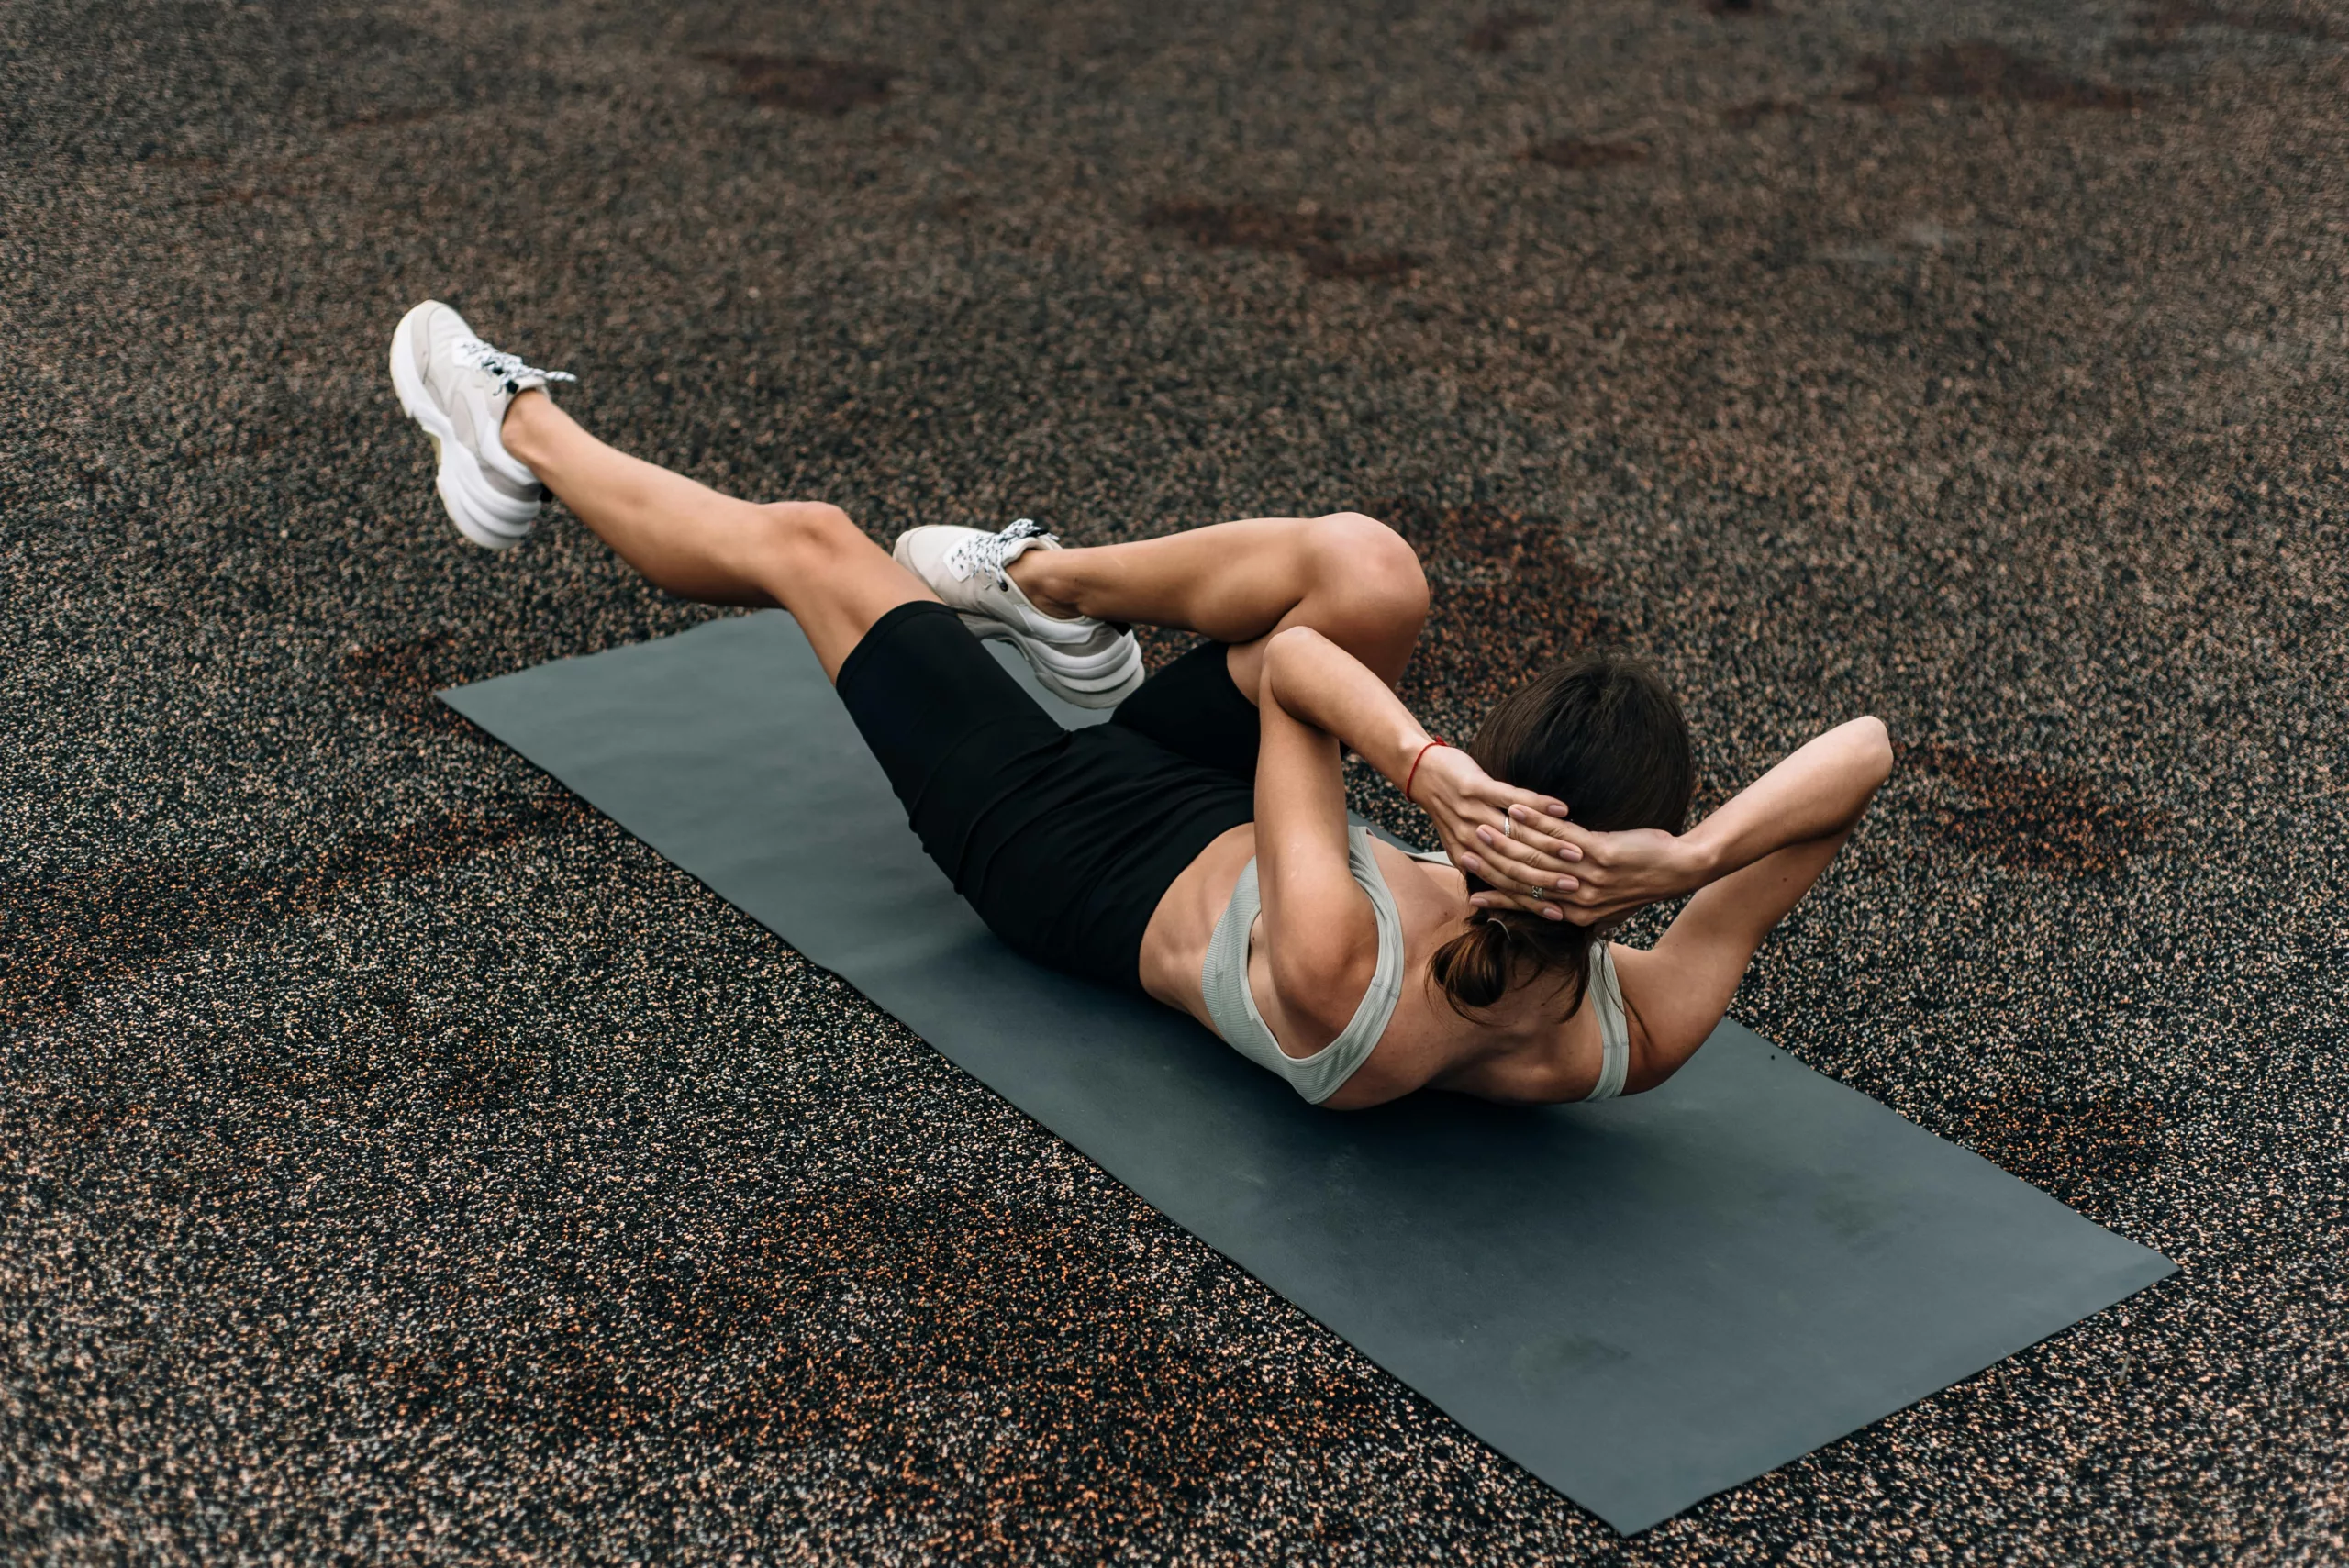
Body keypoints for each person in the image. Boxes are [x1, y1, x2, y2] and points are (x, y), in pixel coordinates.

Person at [390, 300, 1894, 1110]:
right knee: (1374, 572)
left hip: (1057, 852)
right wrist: (1691, 872)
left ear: (1501, 786)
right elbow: (1864, 756)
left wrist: (1422, 768)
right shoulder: (1632, 1024)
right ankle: (1048, 591)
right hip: (1220, 817)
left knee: (811, 544)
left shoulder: (1340, 961)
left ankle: (514, 426)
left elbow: (1304, 688)